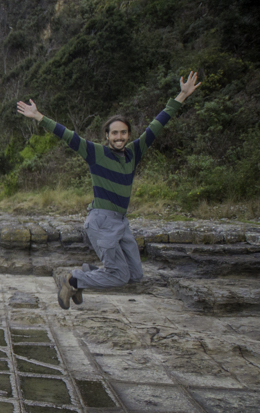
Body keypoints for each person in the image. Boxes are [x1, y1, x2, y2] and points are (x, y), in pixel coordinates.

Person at [16, 71, 201, 309]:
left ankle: (83, 276)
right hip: (101, 221)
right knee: (119, 275)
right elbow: (67, 136)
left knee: (135, 275)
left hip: (121, 223)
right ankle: (71, 279)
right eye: (114, 133)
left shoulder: (134, 152)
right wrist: (39, 116)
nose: (119, 137)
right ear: (107, 136)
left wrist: (182, 95)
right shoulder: (95, 153)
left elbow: (158, 123)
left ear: (128, 135)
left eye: (123, 132)